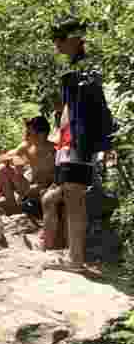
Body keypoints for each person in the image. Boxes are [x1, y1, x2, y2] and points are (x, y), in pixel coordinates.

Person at [41, 19, 114, 270]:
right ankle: (74, 257)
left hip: (77, 143)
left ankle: (75, 261)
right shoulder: (79, 67)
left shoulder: (86, 68)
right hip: (69, 142)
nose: (57, 48)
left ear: (72, 39)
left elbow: (97, 110)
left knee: (74, 199)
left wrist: (100, 144)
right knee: (72, 198)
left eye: (59, 41)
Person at [0, 115, 55, 217]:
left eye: (29, 133)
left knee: (36, 188)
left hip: (46, 190)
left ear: (41, 134)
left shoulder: (53, 150)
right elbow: (2, 158)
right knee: (1, 170)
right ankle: (12, 206)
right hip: (29, 186)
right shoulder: (27, 146)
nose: (26, 136)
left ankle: (20, 208)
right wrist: (12, 160)